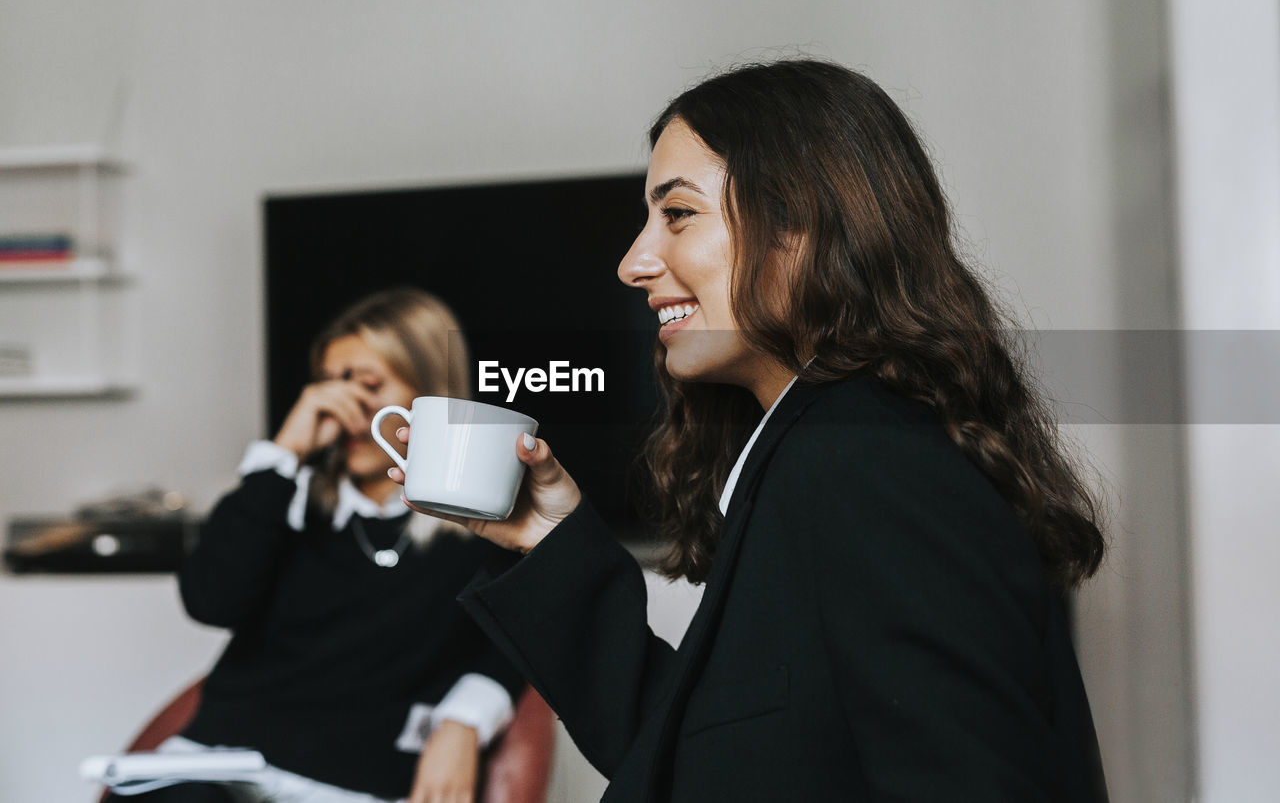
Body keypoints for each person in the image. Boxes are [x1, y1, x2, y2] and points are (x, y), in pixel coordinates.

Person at [393, 60, 1110, 801]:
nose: (633, 262)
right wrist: (550, 537)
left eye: (678, 214)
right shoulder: (814, 455)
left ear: (799, 229)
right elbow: (703, 754)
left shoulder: (867, 462)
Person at [111, 288, 524, 803]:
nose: (346, 402)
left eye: (369, 383)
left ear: (431, 395)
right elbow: (210, 601)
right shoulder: (282, 502)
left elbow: (521, 637)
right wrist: (282, 455)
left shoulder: (479, 530)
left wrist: (463, 722)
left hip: (353, 784)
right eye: (331, 382)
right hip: (216, 768)